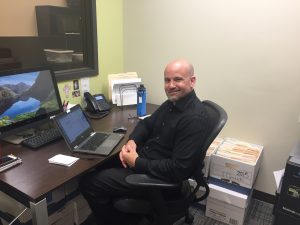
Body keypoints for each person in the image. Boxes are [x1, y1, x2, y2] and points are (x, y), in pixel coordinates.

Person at [79, 59, 212, 225]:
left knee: (88, 183)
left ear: (192, 81)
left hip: (158, 180)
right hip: (146, 159)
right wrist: (133, 141)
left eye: (177, 79)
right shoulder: (173, 103)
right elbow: (146, 123)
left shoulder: (194, 119)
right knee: (99, 165)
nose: (171, 85)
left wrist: (136, 162)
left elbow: (178, 170)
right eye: (167, 80)